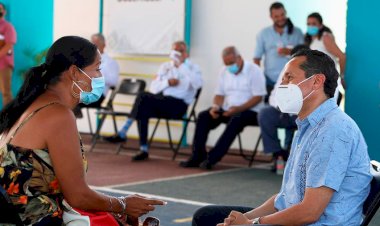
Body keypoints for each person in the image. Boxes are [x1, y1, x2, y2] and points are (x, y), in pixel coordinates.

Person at [192, 50, 372, 226]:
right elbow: (285, 198)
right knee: (206, 217)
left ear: (317, 81)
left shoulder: (332, 130)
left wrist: (252, 224)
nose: (282, 84)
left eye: (289, 78)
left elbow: (309, 212)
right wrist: (244, 219)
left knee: (205, 219)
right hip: (299, 218)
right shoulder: (308, 126)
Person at [0, 36, 165, 225]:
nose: (99, 77)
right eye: (96, 69)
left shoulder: (31, 104)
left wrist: (113, 206)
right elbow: (78, 196)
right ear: (74, 72)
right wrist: (122, 204)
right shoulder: (58, 115)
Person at [104, 41, 202, 161]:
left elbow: (198, 84)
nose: (176, 54)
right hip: (163, 102)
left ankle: (123, 132)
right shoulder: (165, 67)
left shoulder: (192, 68)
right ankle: (143, 149)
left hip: (179, 105)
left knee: (143, 98)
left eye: (180, 51)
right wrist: (167, 82)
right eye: (174, 50)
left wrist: (181, 66)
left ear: (186, 53)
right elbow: (154, 88)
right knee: (142, 107)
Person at [180, 46, 266, 170]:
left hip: (250, 111)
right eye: (226, 64)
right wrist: (215, 107)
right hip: (228, 109)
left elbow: (258, 97)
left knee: (236, 119)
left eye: (231, 63)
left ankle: (212, 158)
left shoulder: (254, 70)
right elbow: (219, 94)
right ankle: (197, 156)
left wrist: (238, 109)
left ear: (239, 58)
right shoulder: (224, 71)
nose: (229, 67)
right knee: (204, 116)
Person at [257, 44, 310, 172]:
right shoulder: (287, 70)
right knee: (265, 113)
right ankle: (278, 154)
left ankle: (301, 162)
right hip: (285, 113)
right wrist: (281, 106)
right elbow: (274, 95)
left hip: (305, 115)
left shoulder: (316, 74)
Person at [253, 2, 303, 102]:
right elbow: (256, 58)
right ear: (271, 17)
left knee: (291, 112)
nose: (280, 18)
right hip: (270, 82)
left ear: (285, 13)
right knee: (270, 112)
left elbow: (305, 55)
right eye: (276, 16)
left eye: (282, 15)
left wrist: (290, 51)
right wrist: (259, 79)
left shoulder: (297, 32)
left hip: (293, 82)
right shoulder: (264, 33)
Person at [73, 33, 119, 117]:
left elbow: (114, 82)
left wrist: (97, 76)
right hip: (83, 90)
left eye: (96, 44)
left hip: (97, 94)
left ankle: (72, 120)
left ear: (104, 45)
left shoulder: (110, 62)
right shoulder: (87, 61)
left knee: (72, 99)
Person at [305, 12, 346, 100]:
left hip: (329, 82)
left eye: (314, 24)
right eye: (308, 24)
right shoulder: (311, 41)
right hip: (318, 83)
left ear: (320, 25)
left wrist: (342, 77)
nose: (310, 26)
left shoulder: (325, 37)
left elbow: (342, 57)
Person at [0, 2, 16, 107]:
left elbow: (9, 44)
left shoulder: (7, 27)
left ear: (4, 12)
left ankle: (9, 120)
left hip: (4, 65)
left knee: (6, 93)